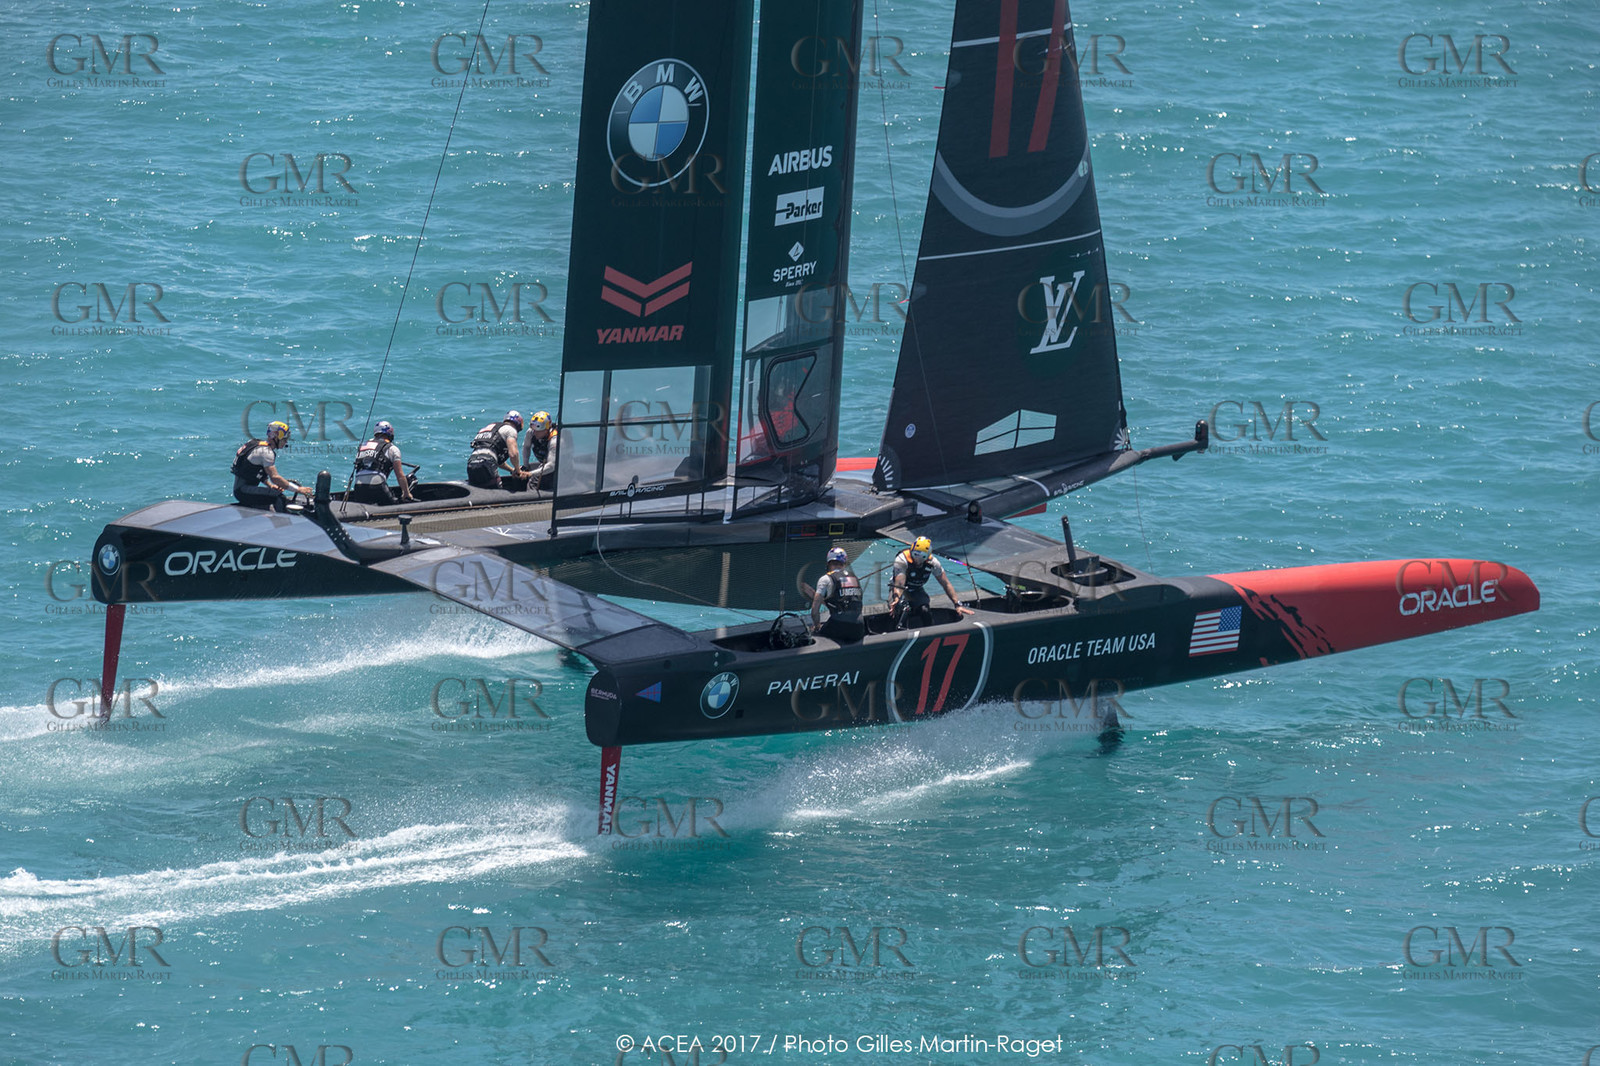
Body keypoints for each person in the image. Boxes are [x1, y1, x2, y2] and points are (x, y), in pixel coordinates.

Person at [890, 536, 976, 629]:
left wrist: (957, 604)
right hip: (899, 589)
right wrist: (896, 599)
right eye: (915, 557)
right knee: (899, 609)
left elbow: (946, 584)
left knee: (925, 610)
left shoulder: (934, 563)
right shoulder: (902, 559)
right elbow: (899, 584)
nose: (917, 562)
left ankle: (930, 632)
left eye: (921, 559)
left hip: (916, 589)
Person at [232, 420, 310, 512]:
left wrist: (270, 485)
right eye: (284, 440)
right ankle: (283, 523)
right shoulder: (267, 453)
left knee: (272, 494)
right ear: (275, 438)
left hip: (240, 490)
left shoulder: (255, 443)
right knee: (278, 497)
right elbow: (275, 478)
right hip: (243, 492)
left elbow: (253, 471)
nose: (286, 442)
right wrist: (299, 489)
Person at [350, 420, 414, 505]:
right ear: (390, 434)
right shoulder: (392, 448)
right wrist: (406, 493)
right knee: (393, 506)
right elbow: (400, 475)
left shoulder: (363, 446)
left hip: (359, 488)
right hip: (377, 487)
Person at [809, 546, 864, 642]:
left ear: (828, 563)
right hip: (859, 628)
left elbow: (814, 611)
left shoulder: (825, 579)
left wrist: (817, 626)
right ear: (845, 563)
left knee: (813, 633)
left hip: (839, 627)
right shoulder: (855, 578)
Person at [466, 410, 527, 489]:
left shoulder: (489, 429)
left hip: (471, 464)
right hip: (487, 464)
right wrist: (518, 470)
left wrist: (512, 470)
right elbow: (513, 454)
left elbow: (495, 459)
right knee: (496, 492)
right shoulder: (510, 430)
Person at [520, 410, 559, 492]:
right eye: (533, 429)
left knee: (533, 483)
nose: (535, 433)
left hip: (559, 467)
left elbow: (552, 466)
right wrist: (526, 466)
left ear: (546, 429)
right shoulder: (531, 432)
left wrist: (530, 474)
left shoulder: (554, 440)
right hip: (545, 464)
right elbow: (526, 447)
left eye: (538, 430)